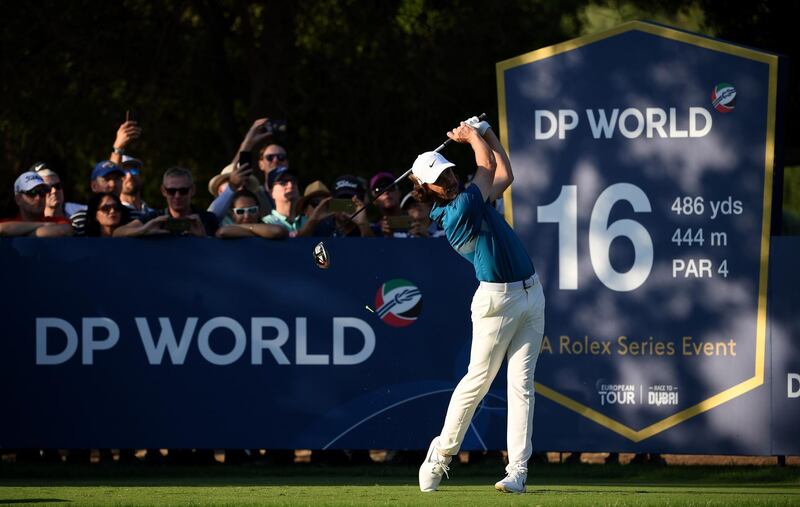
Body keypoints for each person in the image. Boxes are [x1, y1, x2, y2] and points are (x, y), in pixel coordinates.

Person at [413, 117, 545, 494]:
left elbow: (504, 171)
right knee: (478, 382)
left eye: (450, 172)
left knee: (522, 386)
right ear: (428, 189)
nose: (450, 178)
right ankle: (440, 454)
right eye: (440, 178)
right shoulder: (457, 213)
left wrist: (486, 132)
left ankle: (517, 471)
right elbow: (486, 166)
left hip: (531, 294)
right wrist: (472, 135)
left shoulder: (474, 197)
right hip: (496, 303)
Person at [115, 167, 218, 237]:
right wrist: (144, 230)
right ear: (163, 191)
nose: (177, 196)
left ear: (192, 190)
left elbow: (218, 253)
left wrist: (203, 237)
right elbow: (117, 233)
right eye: (171, 191)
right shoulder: (155, 219)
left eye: (183, 191)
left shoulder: (207, 219)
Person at [297, 175, 373, 237]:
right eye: (339, 202)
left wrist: (363, 225)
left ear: (361, 203)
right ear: (331, 202)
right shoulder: (320, 229)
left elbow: (375, 252)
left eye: (350, 202)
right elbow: (296, 246)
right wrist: (313, 219)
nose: (344, 207)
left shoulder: (372, 229)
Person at [0, 172, 72, 237]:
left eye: (42, 192)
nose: (38, 198)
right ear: (18, 199)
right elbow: (1, 229)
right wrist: (43, 225)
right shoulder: (7, 222)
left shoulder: (58, 221)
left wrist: (18, 233)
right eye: (32, 192)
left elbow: (65, 230)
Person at [70, 161, 126, 236]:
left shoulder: (134, 215)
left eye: (117, 179)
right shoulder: (79, 220)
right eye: (107, 179)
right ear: (94, 186)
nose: (113, 184)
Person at [215, 190, 287, 239]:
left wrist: (242, 229)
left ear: (259, 211)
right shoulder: (226, 228)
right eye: (240, 211)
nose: (247, 216)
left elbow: (277, 231)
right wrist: (261, 233)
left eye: (252, 210)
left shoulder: (269, 224)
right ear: (232, 214)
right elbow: (222, 232)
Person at [119, 155, 156, 220]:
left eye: (134, 171)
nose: (129, 176)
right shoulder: (115, 214)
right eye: (123, 172)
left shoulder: (154, 214)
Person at [368, 171, 404, 237]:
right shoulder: (370, 230)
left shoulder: (416, 222)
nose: (386, 192)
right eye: (379, 190)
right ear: (374, 200)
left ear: (399, 193)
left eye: (391, 187)